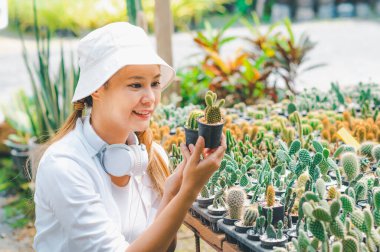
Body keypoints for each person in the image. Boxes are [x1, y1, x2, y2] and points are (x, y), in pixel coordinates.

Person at [33, 22, 226, 252]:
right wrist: (189, 192)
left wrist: (173, 191)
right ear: (96, 88)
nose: (150, 98)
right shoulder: (65, 166)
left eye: (154, 83)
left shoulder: (153, 157)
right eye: (135, 84)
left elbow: (163, 246)